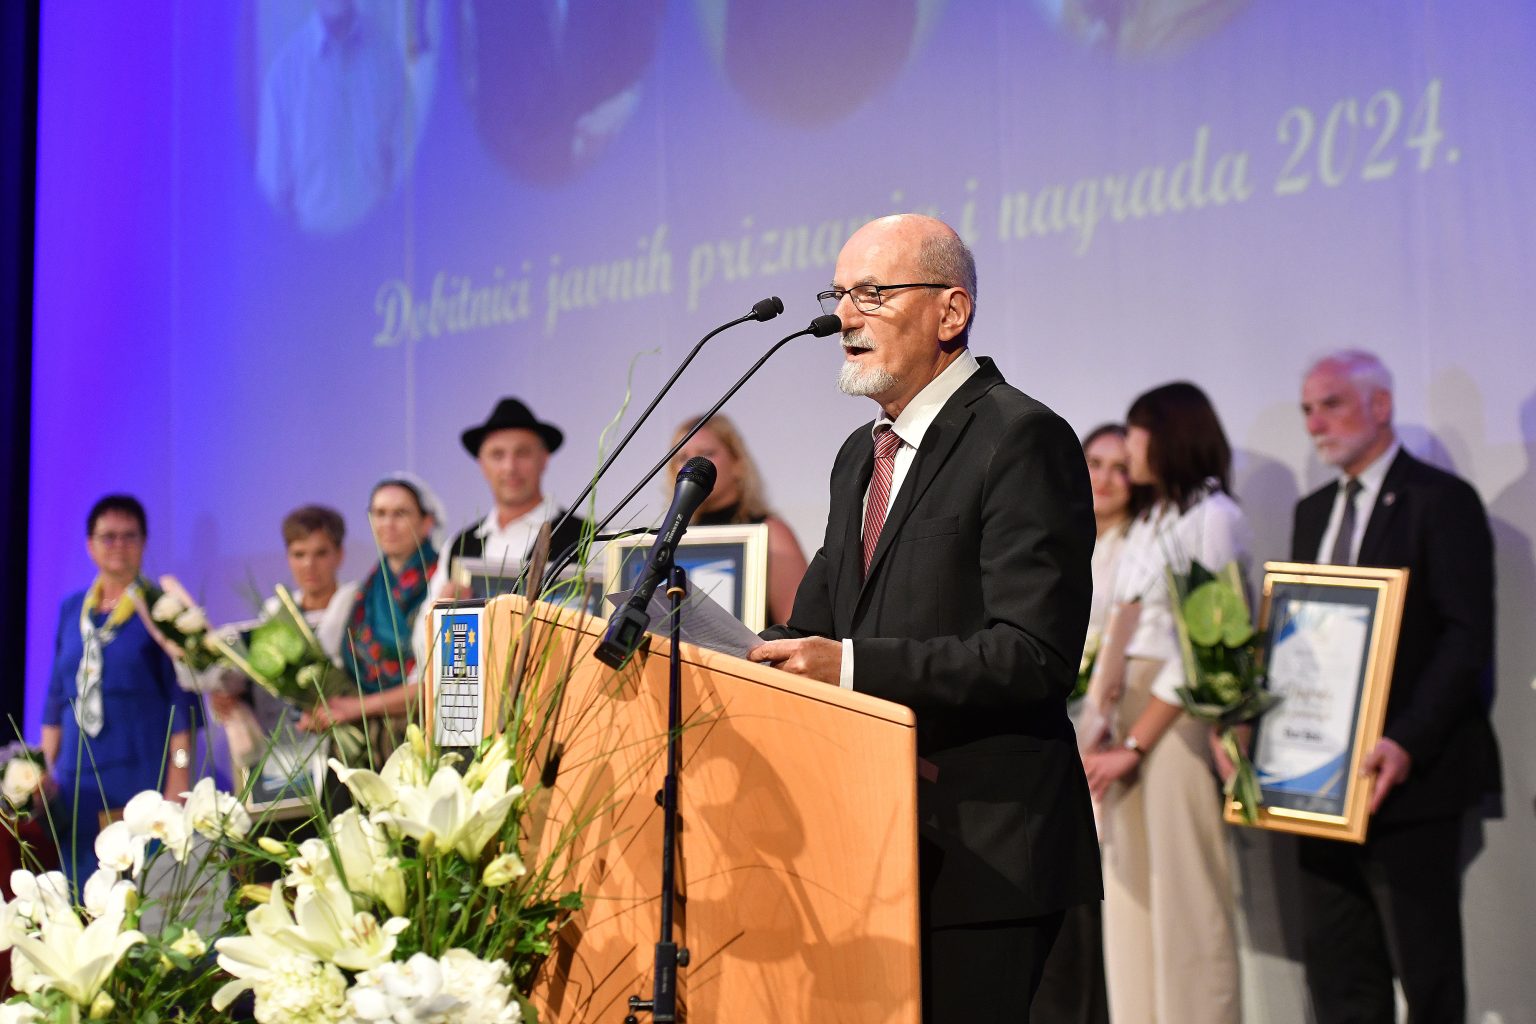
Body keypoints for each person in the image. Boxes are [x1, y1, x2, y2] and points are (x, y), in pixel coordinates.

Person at [747, 214, 1099, 1022]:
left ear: (951, 311)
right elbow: (816, 621)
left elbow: (1032, 654)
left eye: (872, 293)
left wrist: (849, 667)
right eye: (839, 295)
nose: (845, 316)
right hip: (868, 840)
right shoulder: (858, 457)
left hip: (985, 853)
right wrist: (720, 649)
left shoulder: (1021, 437)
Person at [1289, 351, 1498, 1024]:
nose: (1315, 424)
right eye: (1307, 410)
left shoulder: (1441, 501)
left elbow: (1465, 639)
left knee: (1426, 971)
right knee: (1340, 970)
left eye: (1331, 404)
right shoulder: (1312, 511)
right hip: (1319, 784)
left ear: (1380, 405)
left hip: (1409, 780)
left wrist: (1405, 740)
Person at [1081, 382, 1248, 1024]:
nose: (1128, 448)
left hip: (1174, 719)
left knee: (1186, 897)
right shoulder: (1152, 520)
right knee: (1130, 899)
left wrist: (1134, 743)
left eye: (1136, 432)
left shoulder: (1213, 516)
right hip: (1126, 706)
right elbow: (1121, 627)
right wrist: (1101, 720)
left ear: (1169, 435)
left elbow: (1202, 648)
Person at [1034, 423, 1144, 1024]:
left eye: (1121, 467)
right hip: (1054, 735)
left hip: (1106, 743)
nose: (1105, 478)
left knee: (1101, 908)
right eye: (1095, 463)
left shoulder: (1140, 549)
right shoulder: (1056, 534)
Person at [40, 495, 201, 883]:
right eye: (108, 536)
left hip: (142, 775)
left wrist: (179, 780)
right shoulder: (72, 610)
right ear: (90, 545)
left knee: (140, 890)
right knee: (83, 889)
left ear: (144, 543)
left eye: (129, 536)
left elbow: (183, 703)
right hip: (78, 780)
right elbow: (57, 696)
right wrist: (42, 770)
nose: (119, 545)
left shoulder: (162, 610)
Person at [300, 474, 442, 754]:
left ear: (426, 522)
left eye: (400, 514)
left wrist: (358, 707)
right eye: (379, 513)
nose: (388, 524)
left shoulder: (443, 585)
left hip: (421, 738)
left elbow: (441, 681)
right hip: (366, 741)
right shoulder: (363, 592)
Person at [256, 0, 410, 234]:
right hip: (312, 249)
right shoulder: (282, 78)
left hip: (382, 244)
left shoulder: (388, 62)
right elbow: (273, 198)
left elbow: (408, 168)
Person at [211, 505, 358, 733]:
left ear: (339, 555)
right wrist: (230, 695)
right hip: (282, 740)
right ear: (288, 557)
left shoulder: (356, 608)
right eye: (299, 554)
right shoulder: (273, 613)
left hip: (346, 736)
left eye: (320, 553)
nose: (309, 564)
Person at [669, 413, 809, 624]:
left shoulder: (771, 534)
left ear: (737, 463)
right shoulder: (672, 538)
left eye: (706, 453)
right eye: (682, 457)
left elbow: (799, 629)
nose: (693, 465)